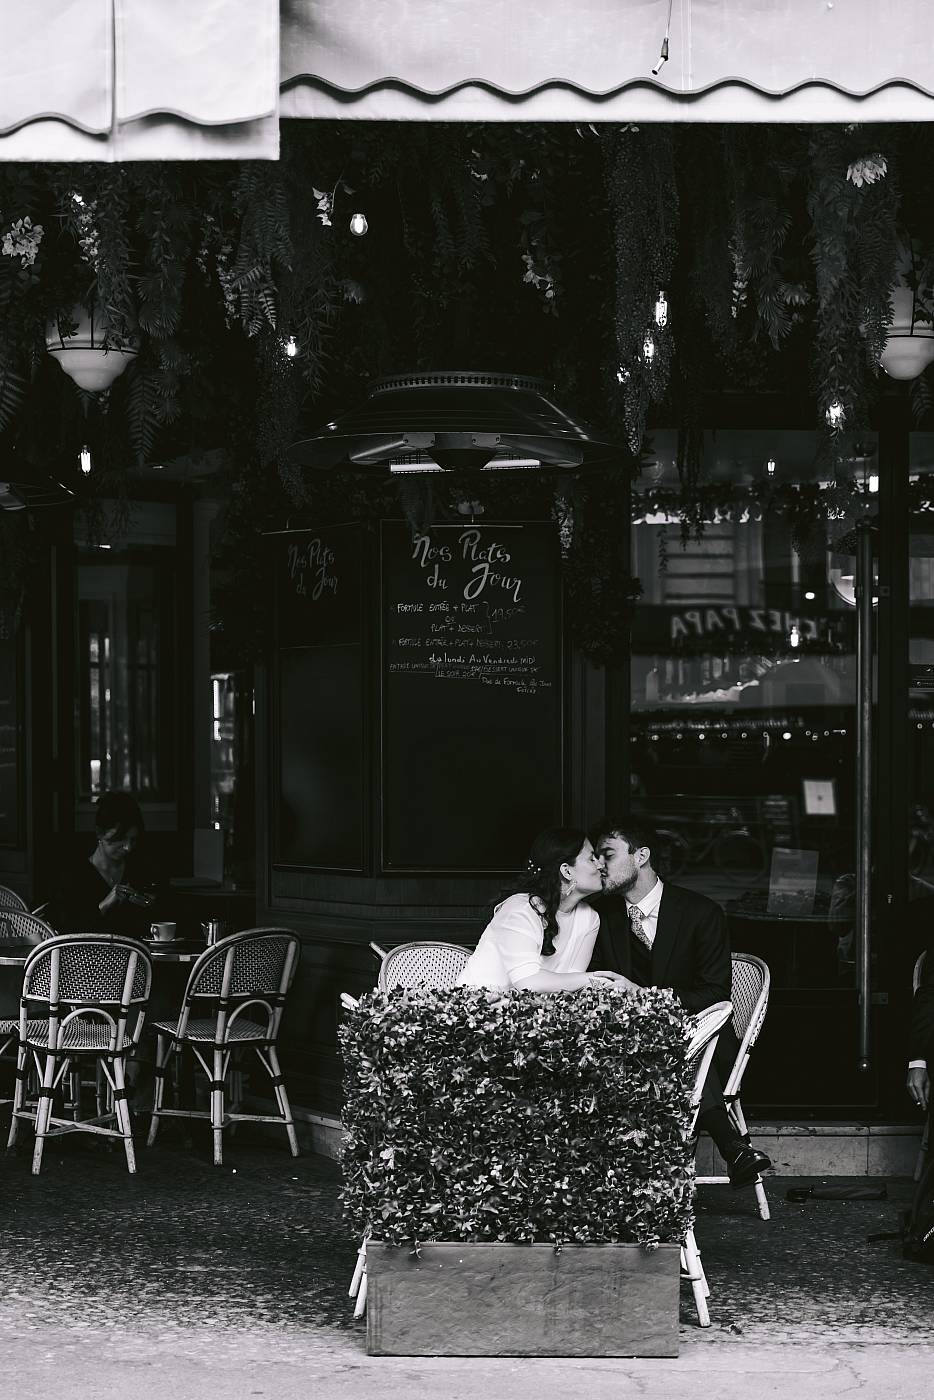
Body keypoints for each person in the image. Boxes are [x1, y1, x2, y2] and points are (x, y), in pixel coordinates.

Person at [590, 814, 772, 1190]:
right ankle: (733, 1147)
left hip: (701, 1037)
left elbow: (715, 993)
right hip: (628, 1045)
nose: (599, 865)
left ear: (640, 856)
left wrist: (647, 1000)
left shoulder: (700, 912)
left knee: (684, 1055)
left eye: (607, 854)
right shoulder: (601, 917)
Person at [456, 827, 626, 992]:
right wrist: (596, 979)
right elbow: (528, 981)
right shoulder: (520, 909)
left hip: (538, 1012)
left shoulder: (589, 917)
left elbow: (573, 982)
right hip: (478, 1008)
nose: (600, 865)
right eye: (592, 859)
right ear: (566, 871)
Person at [51, 791, 158, 939]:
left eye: (133, 840)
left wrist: (152, 906)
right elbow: (67, 932)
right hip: (87, 959)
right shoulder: (74, 876)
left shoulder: (139, 870)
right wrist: (104, 906)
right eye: (119, 838)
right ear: (99, 833)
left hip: (136, 958)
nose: (127, 847)